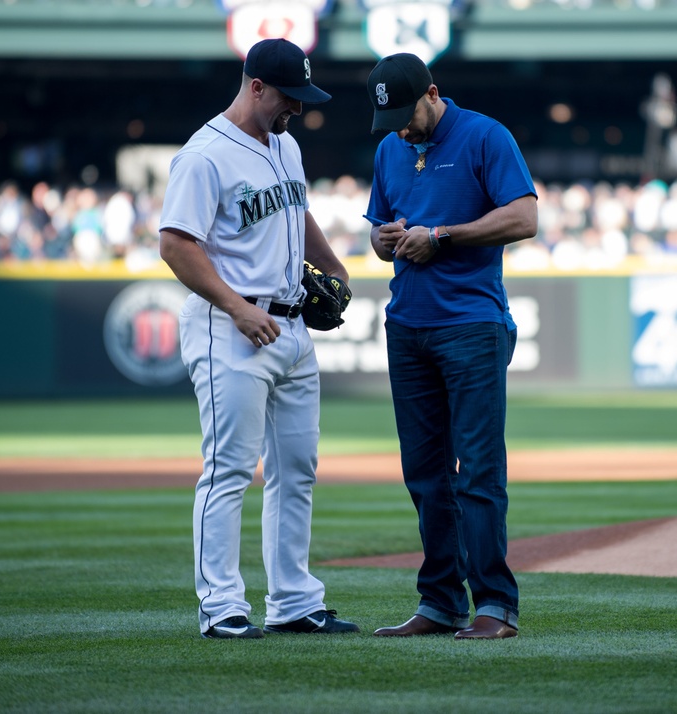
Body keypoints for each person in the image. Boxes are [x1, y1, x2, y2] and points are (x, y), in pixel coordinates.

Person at [158, 38, 358, 640]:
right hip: (230, 329)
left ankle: (294, 600)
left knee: (297, 470)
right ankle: (220, 607)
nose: (296, 107)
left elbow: (296, 212)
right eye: (288, 96)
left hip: (292, 326)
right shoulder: (204, 155)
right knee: (229, 470)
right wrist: (236, 307)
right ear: (255, 87)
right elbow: (175, 244)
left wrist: (336, 268)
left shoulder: (285, 145)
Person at [363, 53, 538, 640]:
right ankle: (439, 602)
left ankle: (495, 606)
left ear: (433, 93)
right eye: (387, 118)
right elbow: (379, 232)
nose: (399, 128)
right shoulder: (390, 147)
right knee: (425, 475)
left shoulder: (486, 135)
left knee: (478, 471)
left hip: (470, 324)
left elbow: (524, 216)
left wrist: (443, 236)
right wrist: (385, 240)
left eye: (405, 114)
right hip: (406, 323)